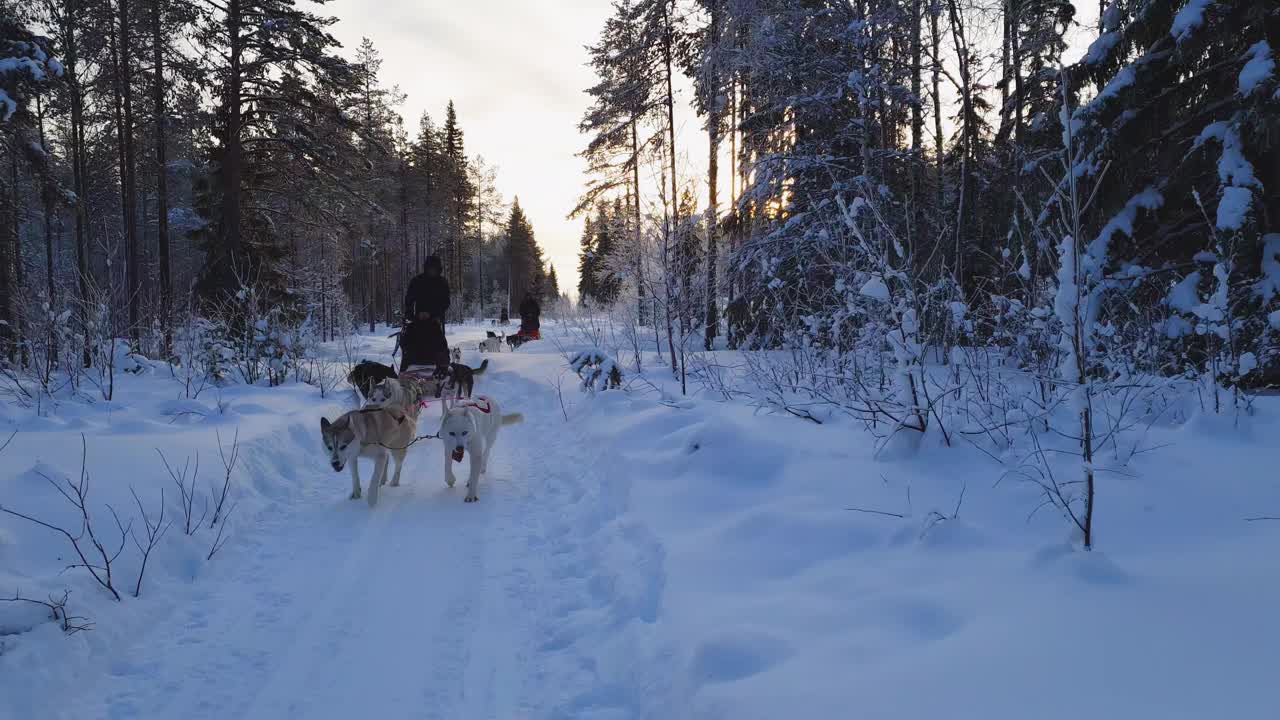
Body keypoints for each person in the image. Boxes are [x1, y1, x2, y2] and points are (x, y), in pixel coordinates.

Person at [401, 256, 451, 370]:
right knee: (409, 339)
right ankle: (406, 370)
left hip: (435, 319)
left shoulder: (442, 283)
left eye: (434, 268)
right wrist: (411, 315)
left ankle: (442, 369)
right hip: (417, 319)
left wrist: (433, 314)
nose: (432, 271)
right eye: (430, 268)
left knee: (439, 342)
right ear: (426, 268)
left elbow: (445, 302)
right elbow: (409, 300)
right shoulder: (417, 281)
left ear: (439, 269)